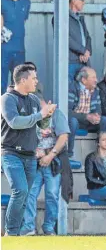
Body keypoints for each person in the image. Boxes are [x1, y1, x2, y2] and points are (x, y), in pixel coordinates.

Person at [1, 64, 55, 236]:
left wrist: (48, 116)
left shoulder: (32, 99)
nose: (36, 81)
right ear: (23, 80)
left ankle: (15, 234)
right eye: (33, 78)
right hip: (11, 153)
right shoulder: (7, 98)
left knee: (24, 196)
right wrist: (40, 115)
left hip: (30, 155)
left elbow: (41, 125)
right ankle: (11, 232)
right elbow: (15, 122)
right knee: (21, 191)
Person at [21, 94, 70, 236]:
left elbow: (63, 137)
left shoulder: (56, 114)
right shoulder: (31, 115)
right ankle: (29, 226)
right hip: (34, 162)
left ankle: (49, 226)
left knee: (52, 194)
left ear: (42, 102)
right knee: (29, 193)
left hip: (53, 162)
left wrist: (50, 155)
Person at [68, 67, 106, 158]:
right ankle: (69, 154)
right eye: (93, 78)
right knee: (72, 121)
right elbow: (67, 112)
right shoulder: (72, 88)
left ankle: (105, 153)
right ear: (84, 80)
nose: (96, 80)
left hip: (90, 122)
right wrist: (86, 117)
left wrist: (96, 116)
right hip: (78, 120)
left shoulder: (95, 90)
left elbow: (98, 109)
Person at [1, 0, 31, 94]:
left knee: (19, 83)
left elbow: (22, 20)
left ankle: (15, 111)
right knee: (1, 82)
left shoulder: (26, 2)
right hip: (3, 49)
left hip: (19, 49)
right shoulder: (1, 0)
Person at [67, 0, 92, 83]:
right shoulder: (62, 17)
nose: (83, 3)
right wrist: (82, 51)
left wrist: (87, 52)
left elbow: (88, 37)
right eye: (81, 0)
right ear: (73, 0)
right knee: (71, 89)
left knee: (84, 89)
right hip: (71, 61)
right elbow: (65, 39)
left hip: (84, 61)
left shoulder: (80, 18)